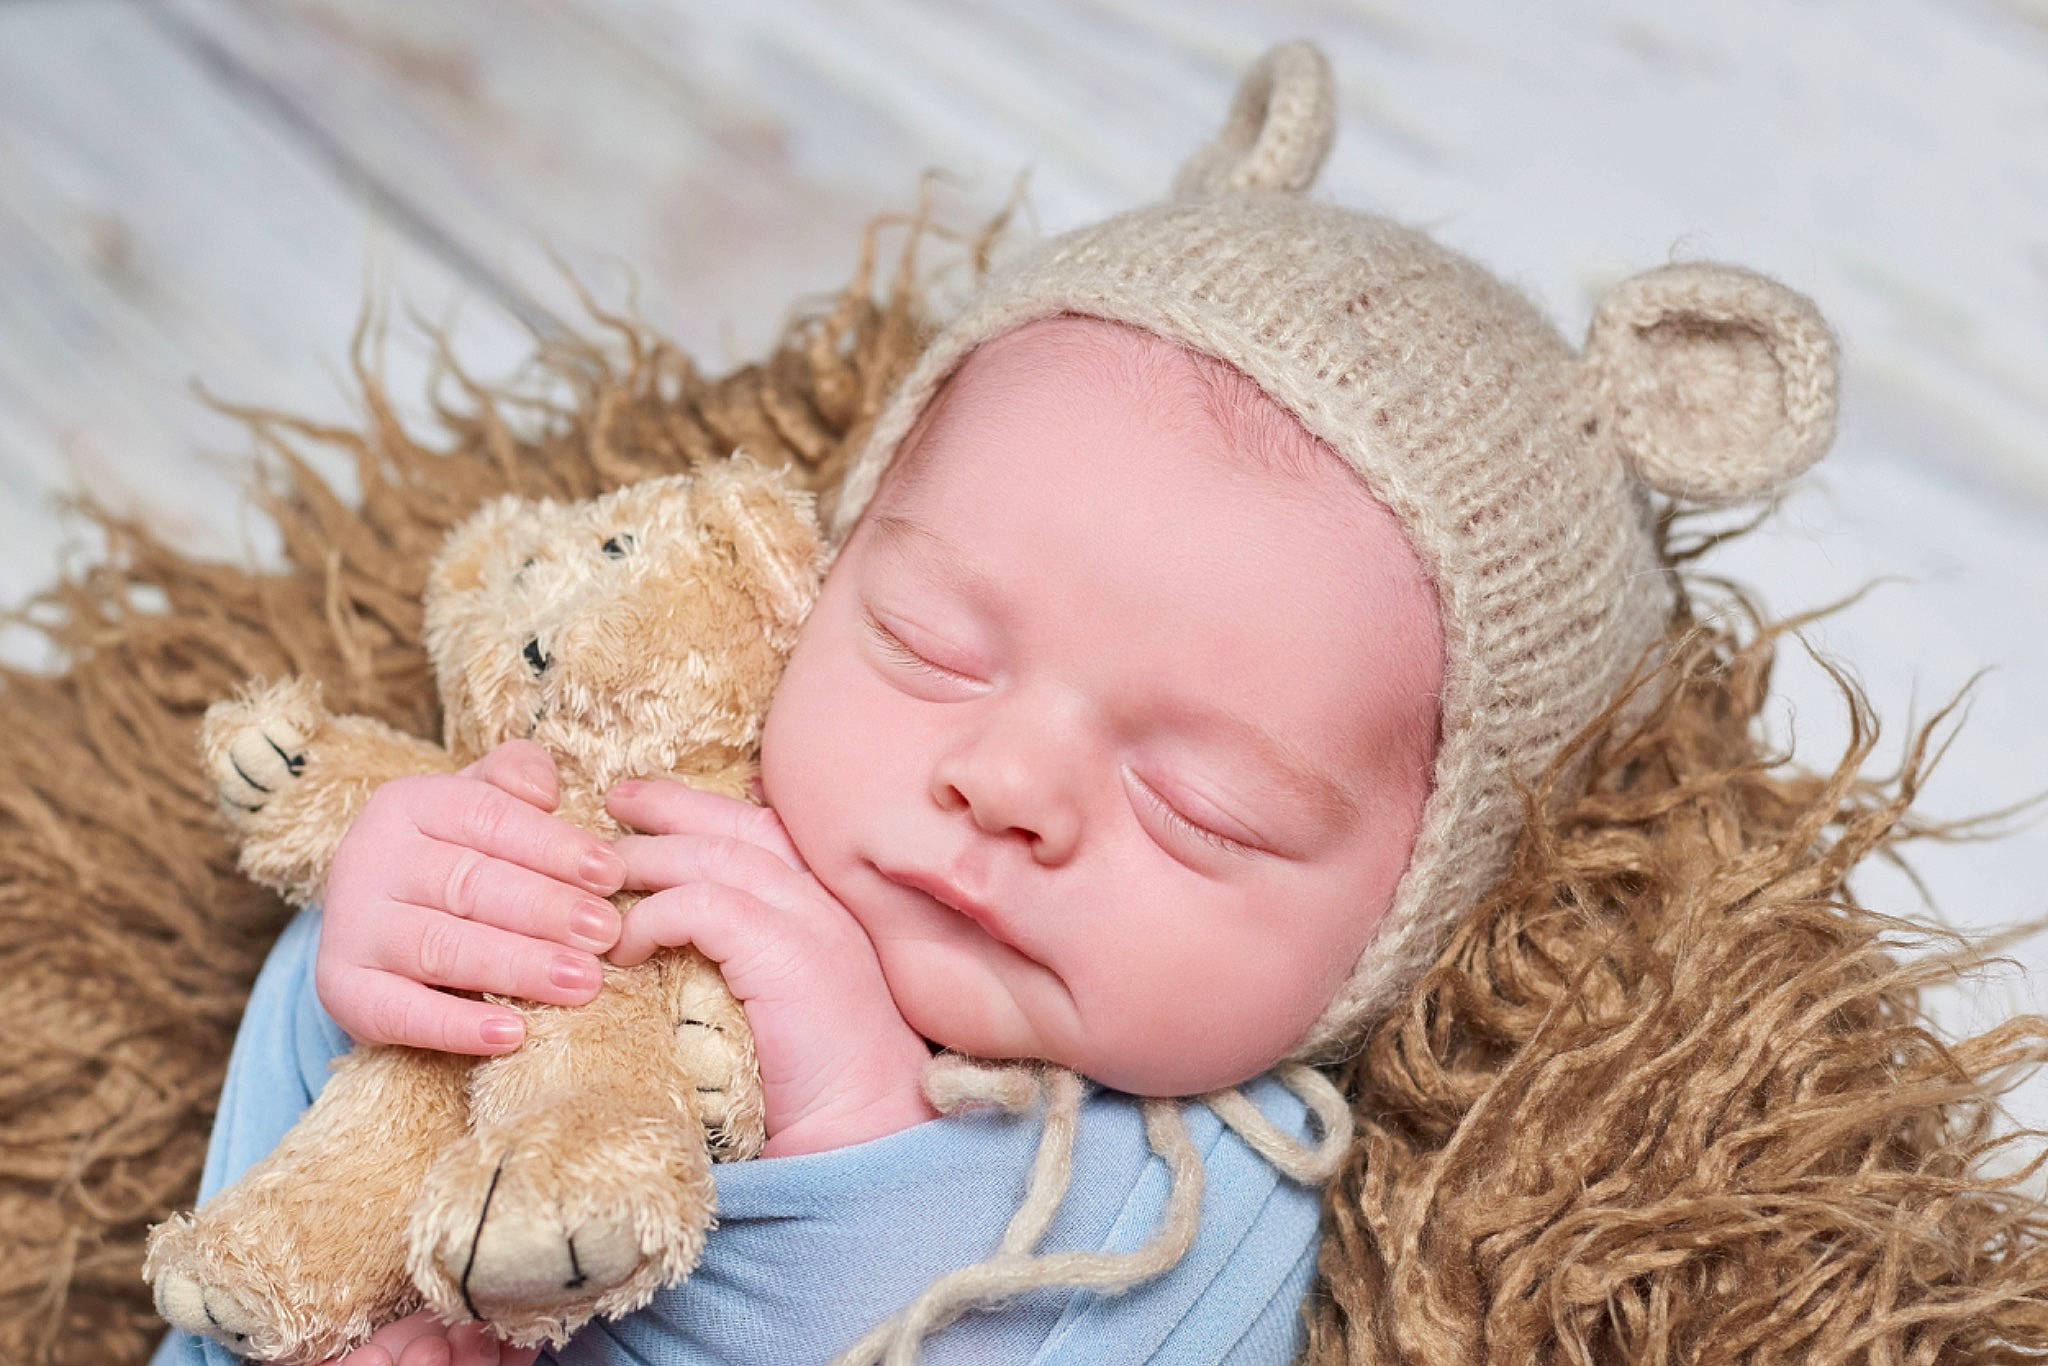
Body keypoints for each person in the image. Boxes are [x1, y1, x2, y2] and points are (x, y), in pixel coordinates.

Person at [152, 38, 1833, 1366]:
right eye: (937, 646)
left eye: (1204, 807)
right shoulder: (650, 816)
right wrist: (373, 957)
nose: (1009, 779)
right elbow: (261, 1229)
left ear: (1409, 918)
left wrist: (853, 1139)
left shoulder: (1200, 1198)